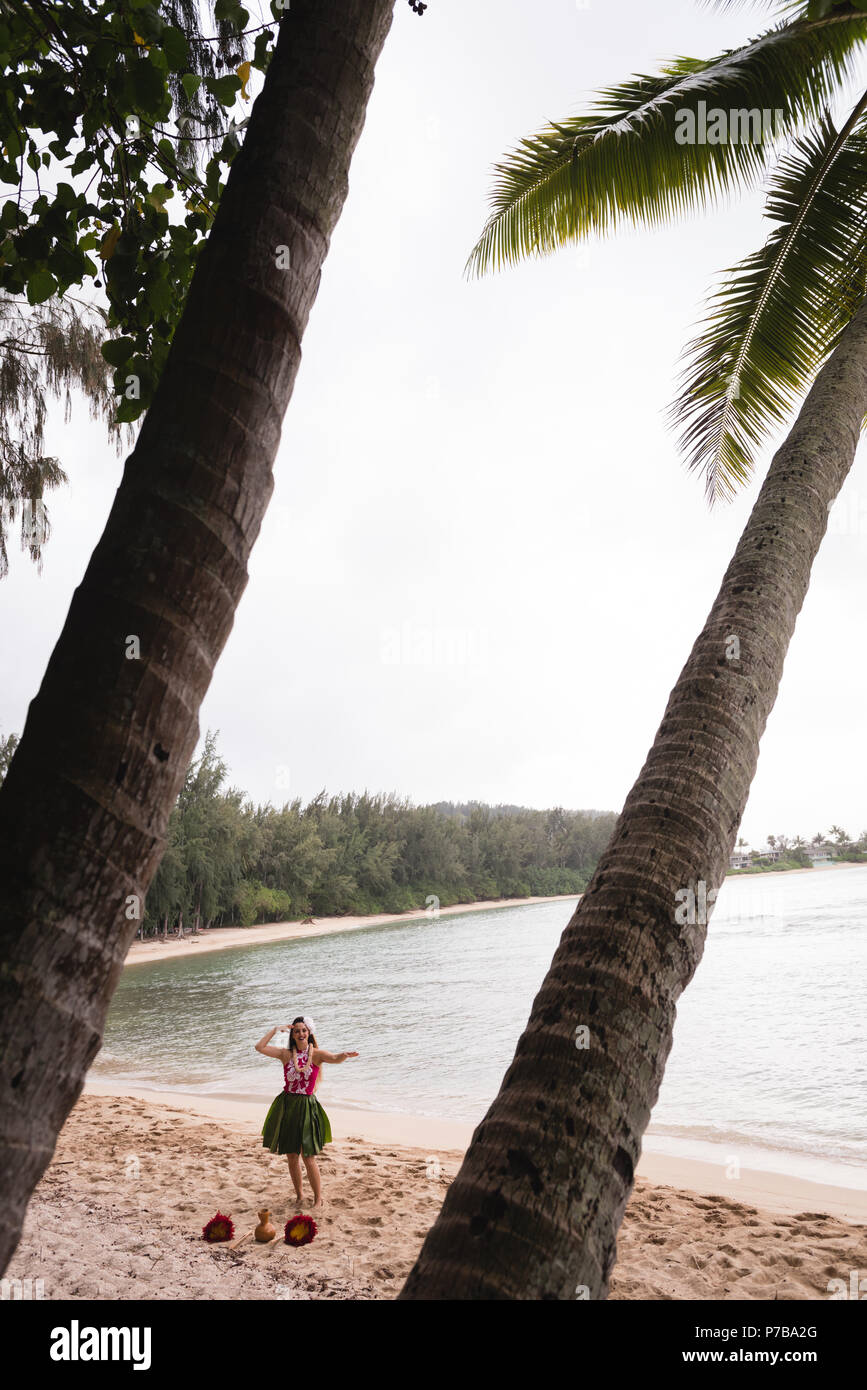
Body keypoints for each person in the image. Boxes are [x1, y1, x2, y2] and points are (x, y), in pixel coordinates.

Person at [255, 1014, 359, 1211]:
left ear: (309, 1033)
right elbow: (259, 1047)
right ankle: (300, 1195)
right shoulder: (285, 1055)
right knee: (292, 1155)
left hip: (306, 1106)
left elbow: (335, 1058)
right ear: (292, 1035)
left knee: (307, 1155)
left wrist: (344, 1055)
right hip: (287, 1105)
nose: (301, 1034)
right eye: (297, 1031)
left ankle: (318, 1198)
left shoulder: (317, 1054)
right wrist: (276, 1029)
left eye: (304, 1030)